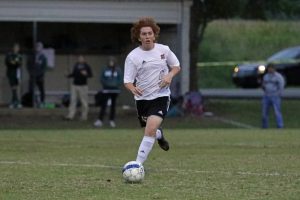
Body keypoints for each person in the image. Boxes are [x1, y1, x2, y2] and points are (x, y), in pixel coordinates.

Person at [123, 17, 181, 164]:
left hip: (161, 96)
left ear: (154, 35)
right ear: (138, 36)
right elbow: (127, 81)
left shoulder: (164, 50)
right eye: (144, 34)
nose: (147, 36)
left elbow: (176, 66)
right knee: (151, 130)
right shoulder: (133, 57)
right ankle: (159, 135)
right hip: (142, 100)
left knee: (149, 130)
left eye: (150, 33)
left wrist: (169, 75)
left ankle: (137, 165)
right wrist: (133, 89)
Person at [94, 57, 123, 128]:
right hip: (106, 90)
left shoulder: (118, 70)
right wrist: (107, 84)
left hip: (115, 91)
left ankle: (111, 120)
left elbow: (120, 79)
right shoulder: (105, 69)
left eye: (112, 61)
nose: (111, 63)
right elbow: (102, 79)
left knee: (113, 106)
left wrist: (115, 84)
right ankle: (100, 120)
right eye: (110, 61)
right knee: (103, 106)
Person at [65, 55, 93, 121]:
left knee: (84, 101)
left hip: (83, 86)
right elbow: (74, 74)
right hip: (75, 85)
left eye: (81, 58)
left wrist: (86, 74)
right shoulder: (76, 65)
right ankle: (70, 115)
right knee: (73, 100)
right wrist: (68, 75)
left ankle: (84, 116)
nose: (80, 59)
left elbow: (90, 75)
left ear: (84, 59)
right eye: (79, 58)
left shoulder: (87, 66)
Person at [261, 64, 285, 128]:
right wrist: (263, 87)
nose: (270, 69)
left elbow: (281, 86)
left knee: (277, 112)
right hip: (266, 96)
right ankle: (264, 127)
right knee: (264, 113)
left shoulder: (278, 76)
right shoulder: (266, 76)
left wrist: (278, 94)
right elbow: (264, 85)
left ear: (274, 69)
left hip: (275, 96)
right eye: (269, 68)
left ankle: (280, 126)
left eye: (271, 68)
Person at [26, 42, 47, 108]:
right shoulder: (31, 56)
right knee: (31, 89)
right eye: (37, 47)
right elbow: (28, 65)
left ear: (42, 48)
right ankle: (33, 102)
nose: (38, 48)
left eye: (39, 47)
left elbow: (44, 68)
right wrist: (31, 73)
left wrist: (38, 74)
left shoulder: (44, 58)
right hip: (32, 76)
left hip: (40, 77)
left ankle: (42, 102)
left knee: (42, 90)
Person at [5, 43, 23, 108]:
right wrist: (15, 62)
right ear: (13, 48)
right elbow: (9, 62)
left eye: (17, 48)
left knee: (15, 87)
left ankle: (14, 102)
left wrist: (15, 62)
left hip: (17, 73)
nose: (16, 49)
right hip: (10, 73)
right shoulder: (9, 55)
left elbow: (19, 63)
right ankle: (16, 101)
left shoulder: (19, 56)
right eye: (15, 47)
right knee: (13, 87)